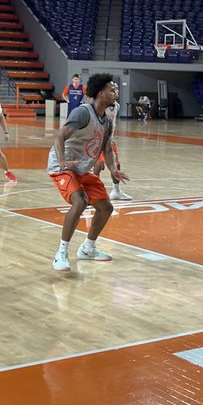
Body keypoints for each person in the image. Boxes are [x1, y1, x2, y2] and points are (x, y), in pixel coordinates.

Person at [48, 73, 130, 271]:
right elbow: (59, 136)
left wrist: (112, 169)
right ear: (101, 93)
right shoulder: (83, 113)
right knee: (80, 201)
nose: (116, 92)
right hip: (64, 167)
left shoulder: (107, 121)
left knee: (106, 207)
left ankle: (88, 248)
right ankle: (61, 253)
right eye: (112, 89)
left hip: (82, 168)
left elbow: (107, 148)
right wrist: (61, 161)